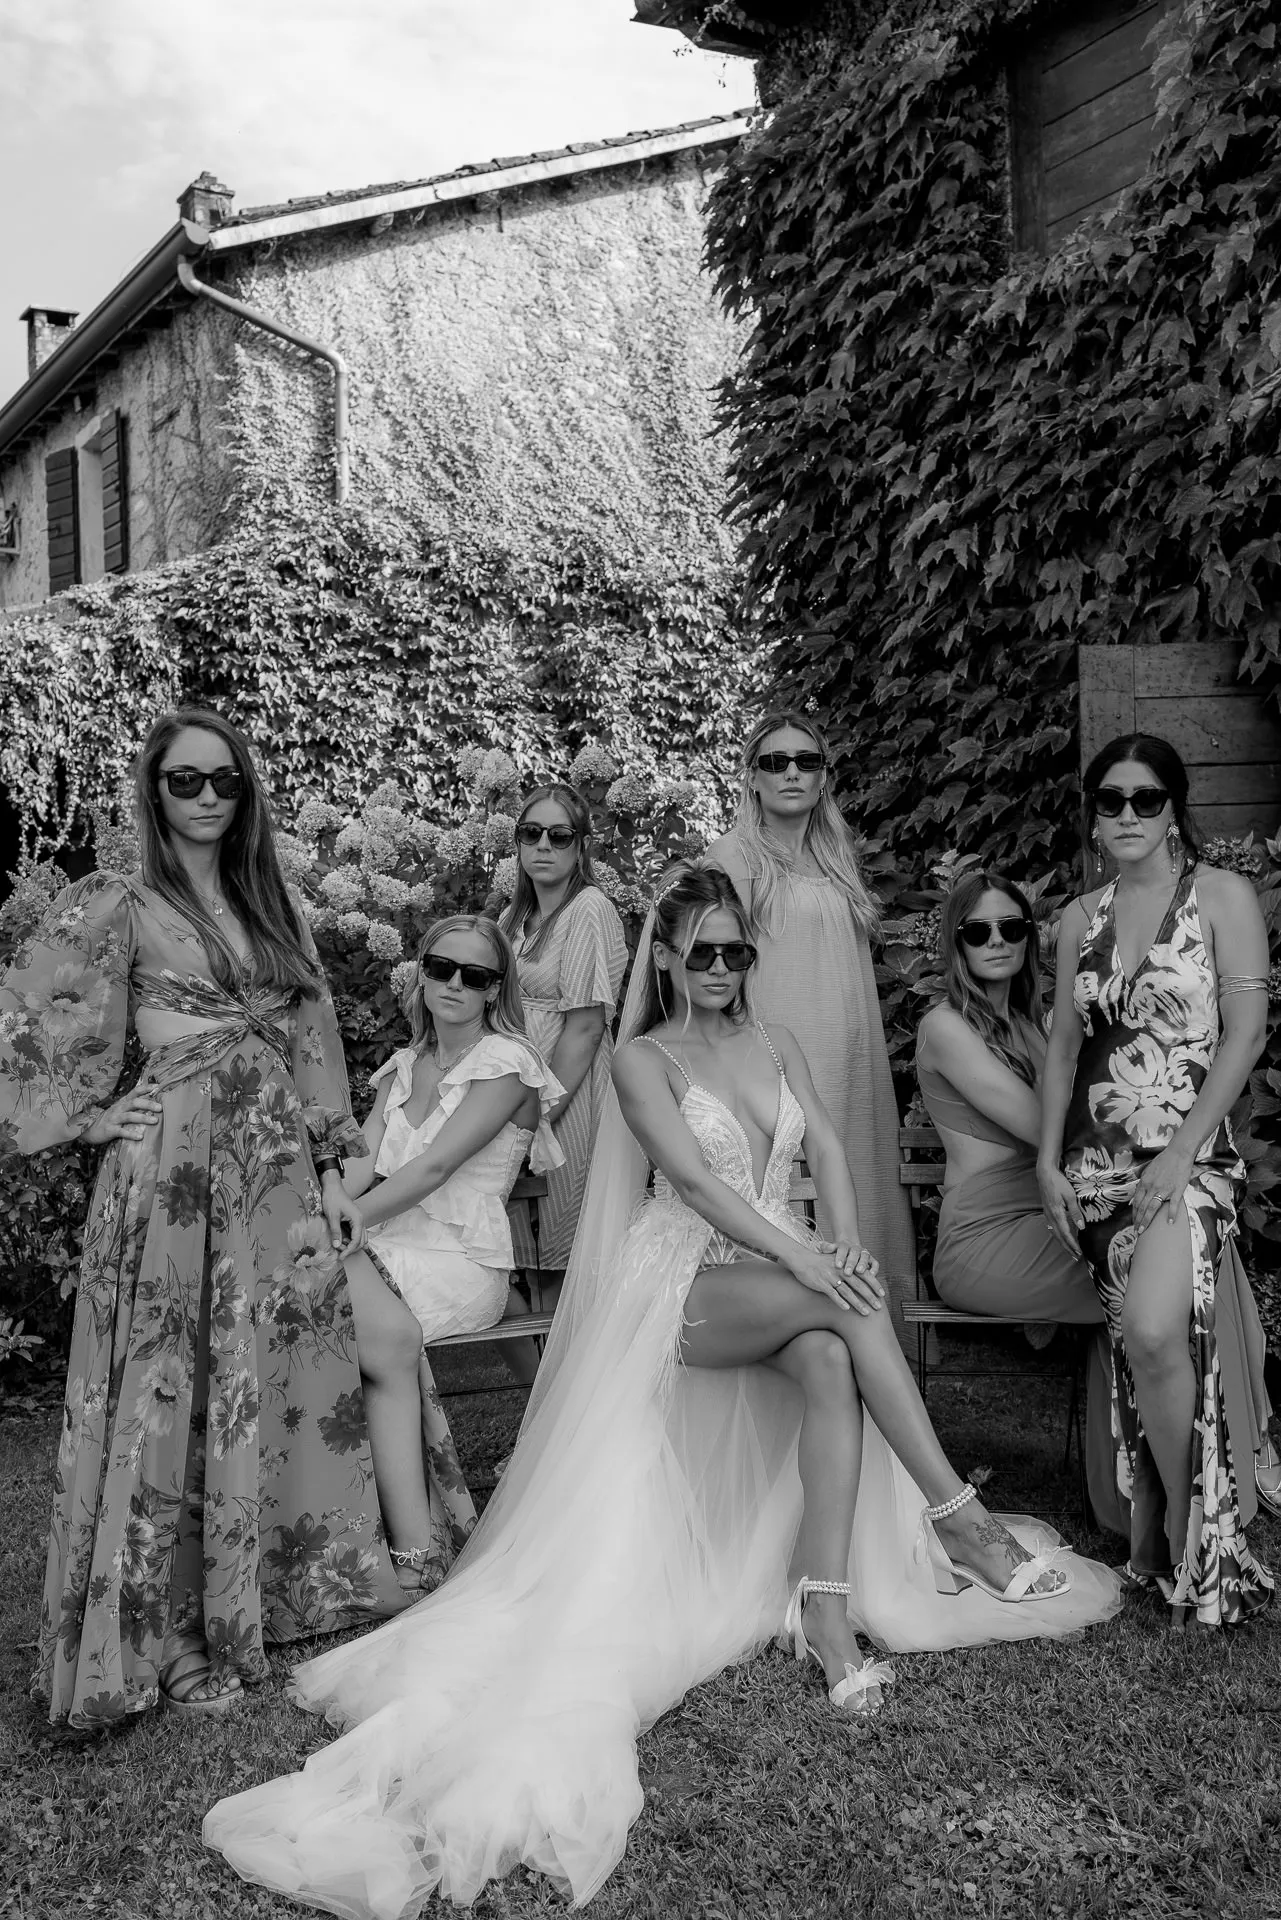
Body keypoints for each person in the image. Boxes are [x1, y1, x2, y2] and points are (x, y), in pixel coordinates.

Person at [204, 863, 1121, 1914]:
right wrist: (815, 1264)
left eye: (739, 952)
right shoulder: (642, 1058)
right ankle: (958, 1519)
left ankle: (825, 1611)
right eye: (706, 952)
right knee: (838, 1312)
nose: (724, 969)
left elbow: (822, 1142)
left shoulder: (776, 1044)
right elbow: (692, 1185)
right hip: (681, 1280)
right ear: (671, 958)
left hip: (784, 1275)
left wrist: (848, 1249)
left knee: (832, 1344)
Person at [0, 709, 406, 1729]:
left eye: (225, 781)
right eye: (186, 782)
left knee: (270, 1367)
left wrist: (335, 1174)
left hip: (271, 1174)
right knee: (171, 1388)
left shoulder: (272, 904)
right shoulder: (121, 903)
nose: (208, 798)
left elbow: (313, 1039)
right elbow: (27, 1016)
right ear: (155, 791)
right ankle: (172, 1635)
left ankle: (268, 1590)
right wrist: (92, 1119)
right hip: (173, 1169)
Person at [1039, 733, 1275, 1627]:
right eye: (1111, 800)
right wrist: (1042, 1166)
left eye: (1145, 798)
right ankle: (1173, 1518)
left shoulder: (1219, 897)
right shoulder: (1077, 919)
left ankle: (1180, 1521)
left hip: (1191, 1163)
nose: (1127, 815)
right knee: (1145, 1344)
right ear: (1093, 813)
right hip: (1094, 1175)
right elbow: (1064, 1049)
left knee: (1148, 1330)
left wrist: (1182, 1151)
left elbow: (1244, 1033)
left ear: (1174, 807)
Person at [335, 915, 564, 1595]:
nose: (455, 985)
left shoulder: (509, 1064)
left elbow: (435, 1169)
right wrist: (322, 1208)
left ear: (495, 989)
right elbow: (360, 1163)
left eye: (476, 976)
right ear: (422, 973)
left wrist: (345, 1226)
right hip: (384, 1247)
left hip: (461, 1263)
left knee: (324, 1298)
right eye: (442, 968)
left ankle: (401, 1549)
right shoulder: (402, 1068)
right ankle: (373, 1537)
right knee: (314, 1289)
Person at [916, 869, 1120, 1528]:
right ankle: (1167, 1473)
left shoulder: (1031, 1025)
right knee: (1158, 1267)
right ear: (956, 943)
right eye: (978, 931)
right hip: (983, 1244)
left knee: (1183, 1251)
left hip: (1046, 1222)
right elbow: (1045, 1129)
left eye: (1013, 927)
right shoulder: (945, 1027)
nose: (997, 941)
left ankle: (1166, 1471)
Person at [706, 711, 916, 1342]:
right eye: (775, 762)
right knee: (787, 1191)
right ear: (752, 778)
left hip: (846, 1054)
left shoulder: (836, 857)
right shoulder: (732, 858)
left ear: (825, 778)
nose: (792, 772)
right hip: (774, 1052)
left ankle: (864, 1356)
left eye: (807, 761)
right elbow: (713, 965)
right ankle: (794, 1353)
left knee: (846, 1180)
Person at [498, 784, 626, 1314]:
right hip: (516, 1091)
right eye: (531, 834)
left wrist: (540, 1118)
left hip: (569, 1094)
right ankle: (542, 1387)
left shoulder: (588, 909)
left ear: (581, 847)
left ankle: (570, 1385)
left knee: (564, 1255)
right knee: (525, 1255)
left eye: (559, 835)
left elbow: (584, 1030)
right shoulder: (513, 918)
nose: (543, 846)